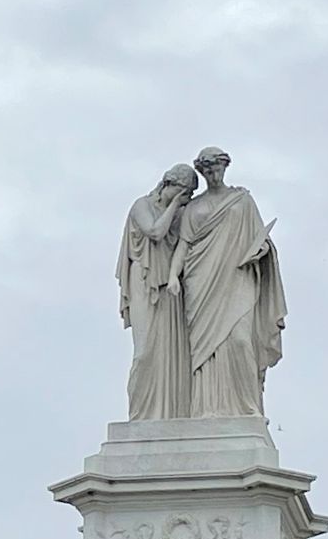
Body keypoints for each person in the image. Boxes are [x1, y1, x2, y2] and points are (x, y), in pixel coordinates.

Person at [168, 147, 286, 418]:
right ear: (202, 172)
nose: (213, 174)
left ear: (225, 168)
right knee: (204, 349)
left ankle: (247, 408)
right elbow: (184, 246)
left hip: (237, 277)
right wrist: (174, 276)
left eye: (217, 168)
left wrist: (261, 251)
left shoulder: (241, 201)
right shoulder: (194, 207)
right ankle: (205, 409)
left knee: (240, 341)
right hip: (201, 280)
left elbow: (261, 238)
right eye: (207, 170)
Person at [117, 165, 198, 419]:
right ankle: (140, 416)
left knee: (172, 353)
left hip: (170, 288)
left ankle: (169, 415)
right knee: (144, 352)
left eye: (188, 194)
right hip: (143, 279)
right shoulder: (142, 205)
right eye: (181, 191)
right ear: (167, 184)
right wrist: (175, 205)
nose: (184, 198)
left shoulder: (182, 214)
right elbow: (154, 232)